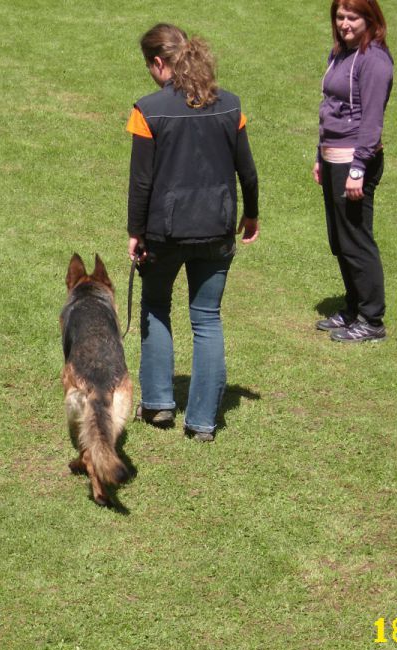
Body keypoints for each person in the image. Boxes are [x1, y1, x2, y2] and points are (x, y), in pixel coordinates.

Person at [126, 23, 259, 442]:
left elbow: (141, 183)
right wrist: (251, 214)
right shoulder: (231, 106)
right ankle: (201, 422)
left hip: (164, 233)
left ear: (159, 63)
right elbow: (248, 172)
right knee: (207, 319)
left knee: (155, 307)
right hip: (217, 229)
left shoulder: (146, 110)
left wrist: (135, 231)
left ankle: (159, 404)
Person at [313, 0, 393, 342]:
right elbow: (329, 109)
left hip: (354, 161)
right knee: (340, 240)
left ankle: (372, 320)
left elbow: (371, 120)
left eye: (353, 17)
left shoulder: (374, 61)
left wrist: (358, 168)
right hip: (333, 157)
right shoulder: (341, 53)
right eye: (340, 16)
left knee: (357, 240)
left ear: (370, 19)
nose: (345, 23)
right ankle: (353, 307)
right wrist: (320, 154)